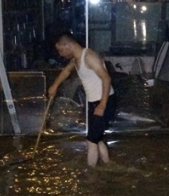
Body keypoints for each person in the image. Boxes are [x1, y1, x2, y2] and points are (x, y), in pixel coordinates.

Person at [48, 33, 117, 167]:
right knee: (97, 138)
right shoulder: (76, 59)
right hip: (94, 102)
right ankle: (108, 165)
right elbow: (66, 71)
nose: (61, 54)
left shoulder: (89, 57)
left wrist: (102, 105)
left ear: (68, 45)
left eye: (61, 50)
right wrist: (55, 86)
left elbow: (106, 78)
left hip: (105, 101)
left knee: (90, 141)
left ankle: (90, 177)